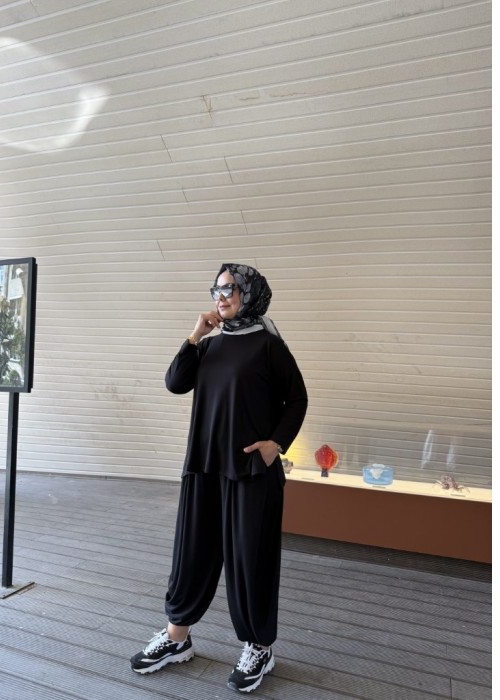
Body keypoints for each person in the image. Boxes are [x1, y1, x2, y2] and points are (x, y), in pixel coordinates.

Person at [130, 263, 308, 693]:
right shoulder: (208, 345)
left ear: (251, 293)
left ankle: (259, 647)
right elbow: (175, 383)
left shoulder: (269, 345)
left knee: (250, 561)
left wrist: (276, 444)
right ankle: (177, 638)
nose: (221, 296)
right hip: (204, 468)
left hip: (251, 473)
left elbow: (297, 398)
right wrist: (195, 335)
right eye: (217, 289)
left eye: (230, 288)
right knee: (191, 554)